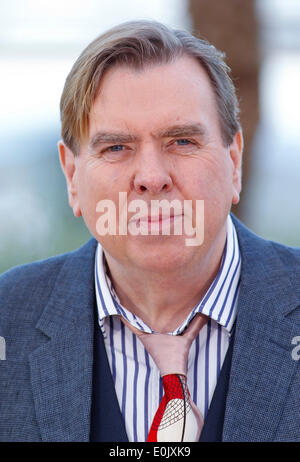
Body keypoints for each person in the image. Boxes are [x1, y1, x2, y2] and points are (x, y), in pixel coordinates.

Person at [0, 20, 300, 443]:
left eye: (181, 141)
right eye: (116, 147)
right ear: (71, 176)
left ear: (234, 162)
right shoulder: (7, 319)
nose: (152, 178)